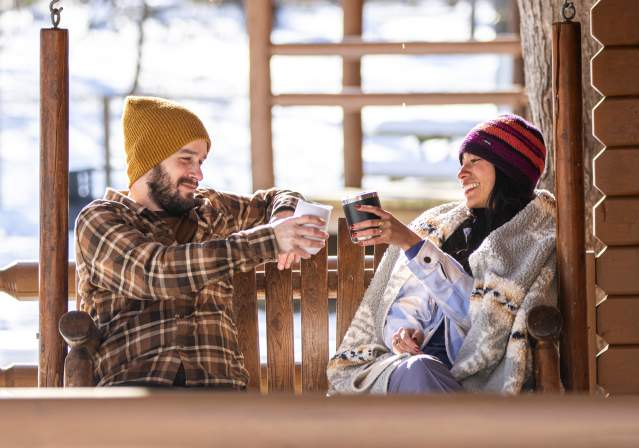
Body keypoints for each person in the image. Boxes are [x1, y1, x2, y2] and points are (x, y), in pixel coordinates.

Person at [74, 96, 328, 388]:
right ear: (149, 160)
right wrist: (268, 241)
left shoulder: (212, 210)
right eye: (186, 159)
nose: (198, 173)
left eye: (200, 161)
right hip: (138, 392)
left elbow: (278, 196)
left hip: (217, 394)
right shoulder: (101, 219)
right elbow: (156, 272)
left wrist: (283, 212)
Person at [327, 114, 557, 394]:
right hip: (417, 373)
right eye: (462, 163)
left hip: (472, 382)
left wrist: (413, 244)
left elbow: (487, 320)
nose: (462, 174)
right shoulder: (446, 226)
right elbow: (405, 304)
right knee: (417, 370)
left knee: (420, 374)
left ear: (509, 168)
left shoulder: (531, 240)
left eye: (475, 161)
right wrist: (406, 333)